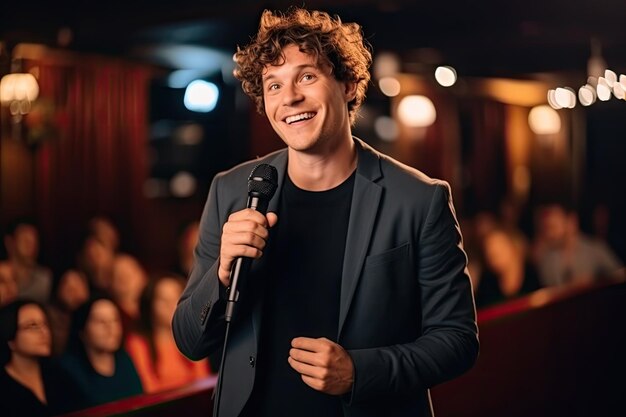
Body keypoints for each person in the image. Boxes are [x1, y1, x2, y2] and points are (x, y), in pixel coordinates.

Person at [172, 7, 478, 417]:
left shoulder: (418, 199)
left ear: (349, 84)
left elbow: (457, 340)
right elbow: (190, 342)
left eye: (307, 76)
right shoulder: (231, 190)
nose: (290, 97)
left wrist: (358, 372)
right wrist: (222, 271)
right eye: (274, 84)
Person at [126, 273, 211, 393]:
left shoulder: (193, 337)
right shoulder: (138, 344)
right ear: (150, 304)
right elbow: (149, 390)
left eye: (177, 297)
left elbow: (203, 382)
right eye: (163, 300)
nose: (171, 305)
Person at [0, 299, 84, 416]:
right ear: (11, 339)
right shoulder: (3, 388)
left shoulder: (58, 374)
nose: (44, 332)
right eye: (32, 326)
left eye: (45, 324)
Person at [58, 295, 143, 407]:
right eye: (100, 322)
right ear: (82, 331)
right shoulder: (67, 371)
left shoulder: (125, 359)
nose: (110, 328)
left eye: (114, 320)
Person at [532, 202, 624, 287]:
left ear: (571, 222)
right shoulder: (546, 259)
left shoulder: (595, 249)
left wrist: (594, 283)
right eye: (547, 229)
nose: (550, 234)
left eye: (554, 227)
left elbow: (619, 276)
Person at [474, 226, 542, 308]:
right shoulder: (487, 283)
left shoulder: (534, 274)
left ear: (514, 246)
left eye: (499, 247)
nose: (493, 254)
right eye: (488, 250)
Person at [1, 219, 52, 304]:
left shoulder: (44, 280)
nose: (31, 247)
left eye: (34, 242)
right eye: (25, 241)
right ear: (10, 243)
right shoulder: (2, 272)